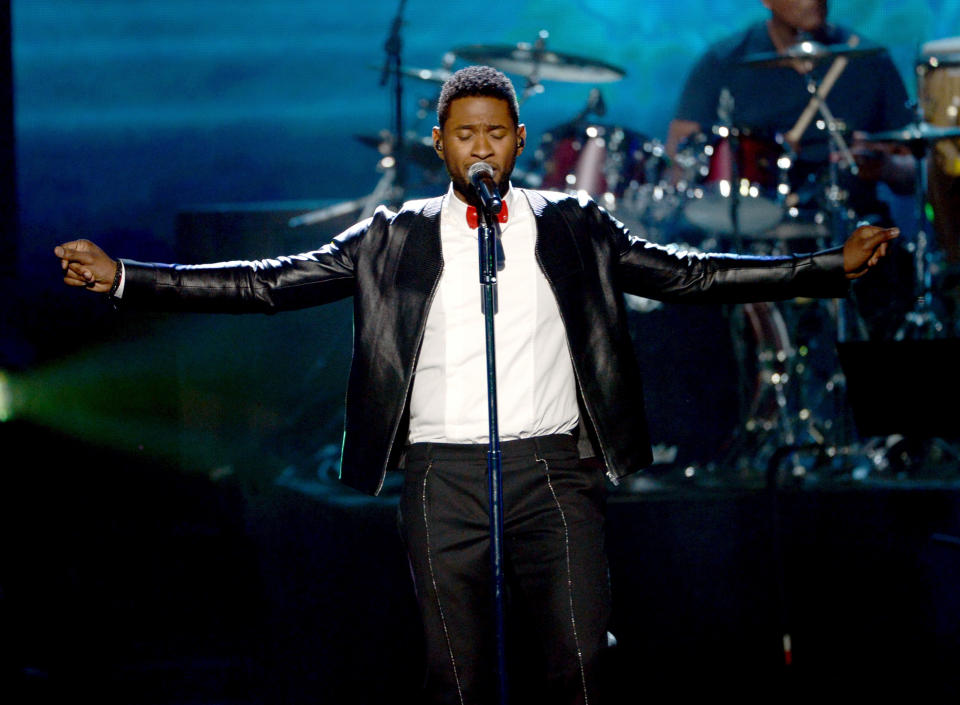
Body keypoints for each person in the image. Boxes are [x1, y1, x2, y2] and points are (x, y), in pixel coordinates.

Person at [55, 65, 898, 705]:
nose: (482, 148)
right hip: (442, 478)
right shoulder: (392, 235)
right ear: (442, 143)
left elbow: (690, 275)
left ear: (520, 139)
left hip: (555, 475)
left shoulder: (571, 222)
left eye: (497, 133)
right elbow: (266, 283)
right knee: (452, 670)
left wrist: (825, 268)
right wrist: (129, 276)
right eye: (466, 134)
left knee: (581, 657)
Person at [666, 0, 915, 227]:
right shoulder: (723, 62)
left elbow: (915, 170)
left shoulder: (871, 60)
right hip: (754, 233)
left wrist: (887, 167)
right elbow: (679, 158)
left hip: (852, 230)